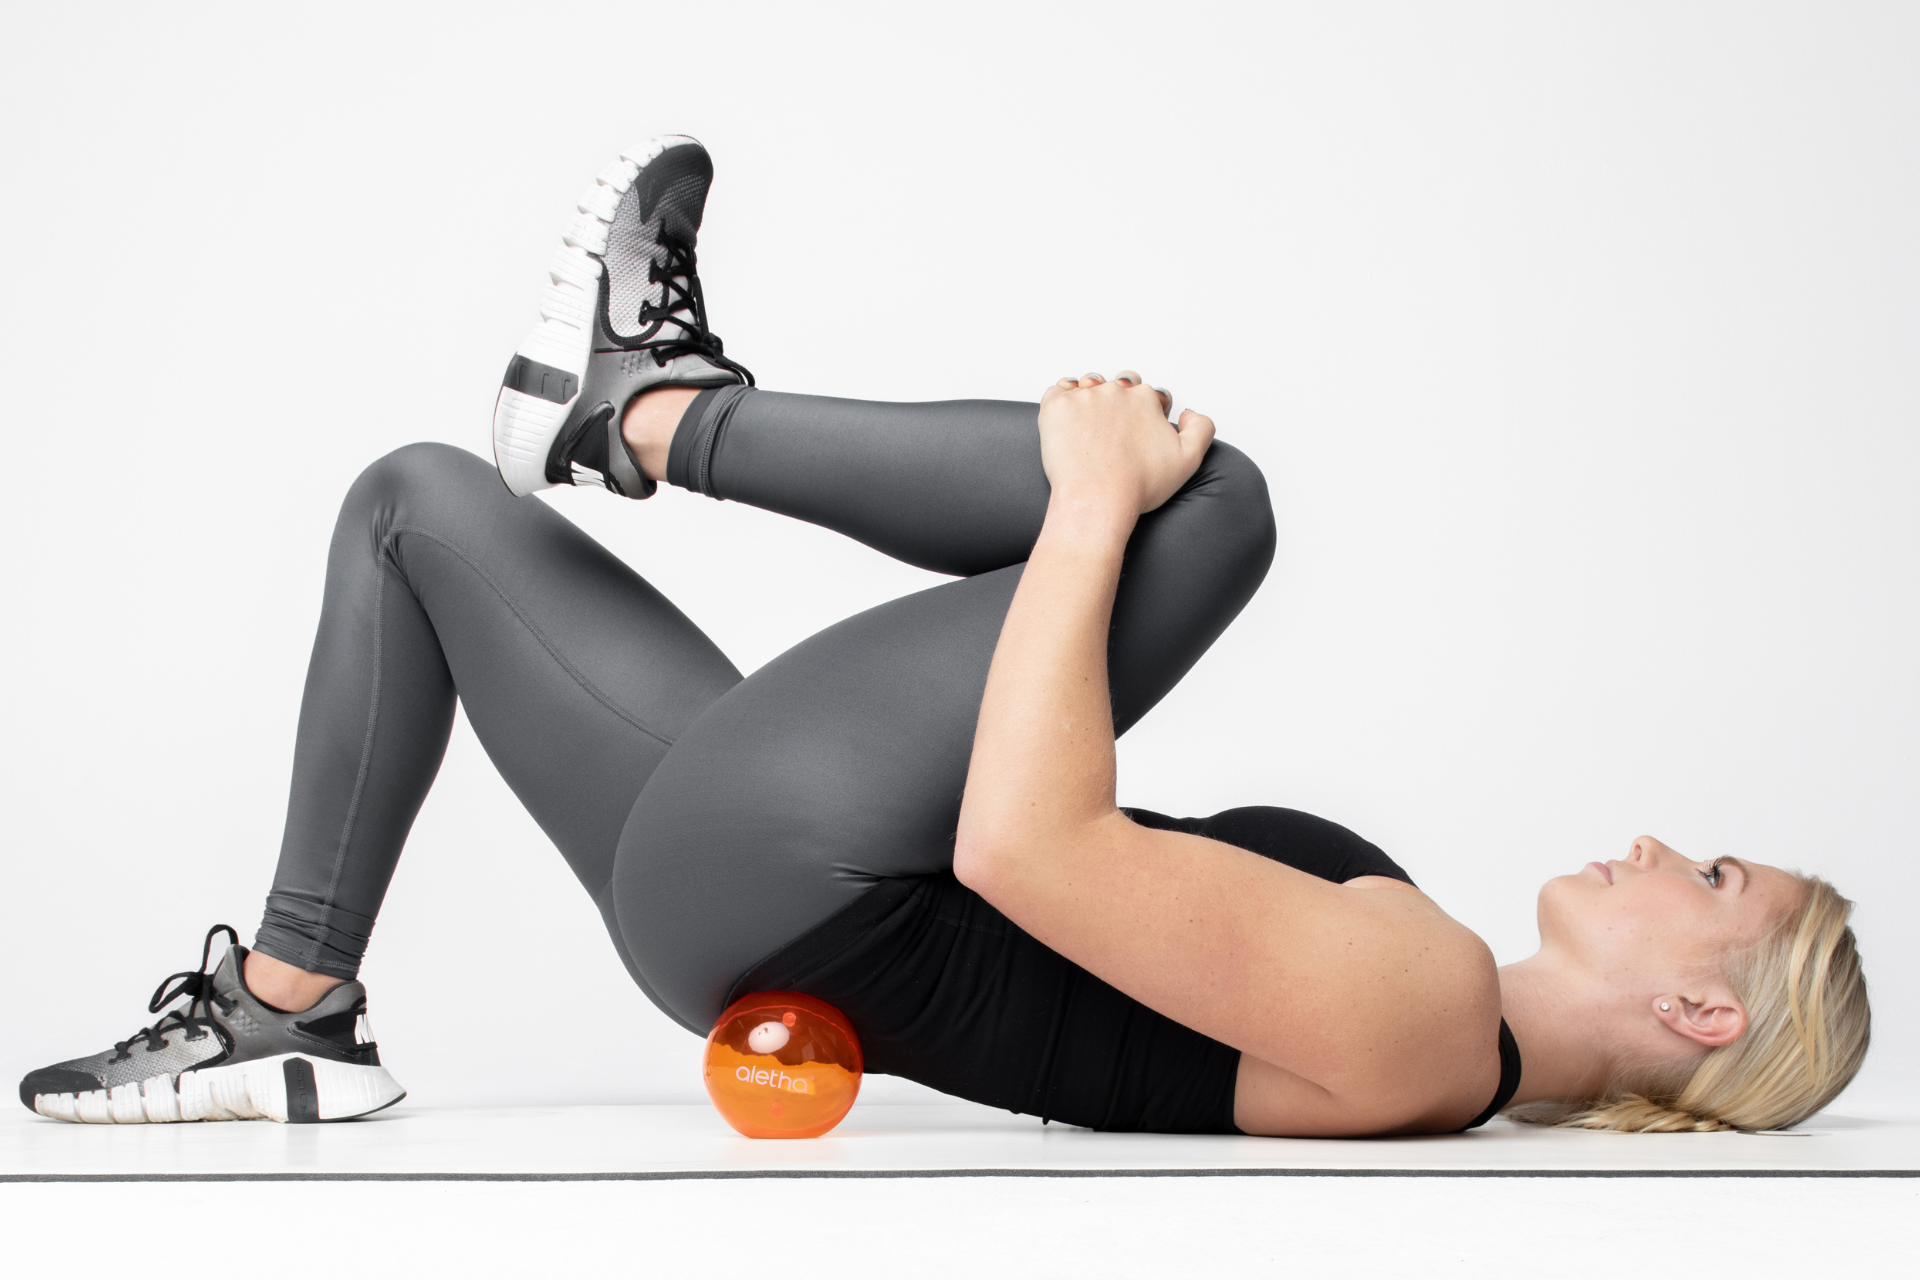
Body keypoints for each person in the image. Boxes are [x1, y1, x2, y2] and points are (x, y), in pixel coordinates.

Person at [20, 137, 1870, 1137]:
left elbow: (1023, 846)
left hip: (814, 891)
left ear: (1701, 1011)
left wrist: (1083, 505)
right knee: (418, 503)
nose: (1653, 843)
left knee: (1205, 510)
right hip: (758, 901)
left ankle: (647, 414)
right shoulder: (1421, 989)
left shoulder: (1430, 1018)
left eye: (1708, 872)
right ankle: (288, 1012)